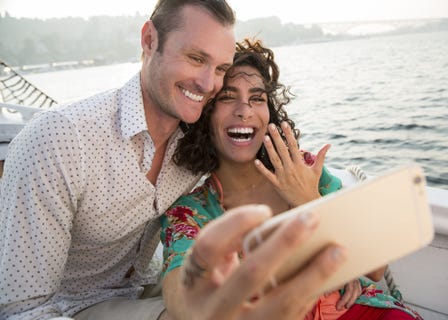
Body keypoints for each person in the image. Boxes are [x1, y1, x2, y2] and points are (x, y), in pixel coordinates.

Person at [0, 1, 347, 320]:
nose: (208, 82)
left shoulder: (196, 145)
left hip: (144, 287)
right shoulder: (62, 140)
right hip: (72, 305)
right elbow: (20, 309)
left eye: (220, 68)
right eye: (196, 58)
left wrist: (313, 204)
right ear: (149, 40)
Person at [159, 39, 424, 320]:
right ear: (206, 115)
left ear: (269, 114)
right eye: (227, 97)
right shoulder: (190, 212)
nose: (244, 110)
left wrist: (308, 201)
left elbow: (375, 268)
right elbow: (183, 287)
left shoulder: (305, 170)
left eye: (257, 98)